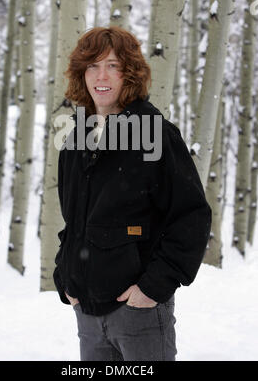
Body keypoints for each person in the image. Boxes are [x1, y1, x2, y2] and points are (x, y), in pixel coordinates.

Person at [53, 26, 212, 362]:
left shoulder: (155, 135)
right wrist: (65, 276)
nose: (101, 75)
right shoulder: (74, 140)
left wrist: (152, 288)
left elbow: (191, 217)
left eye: (113, 65)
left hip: (138, 313)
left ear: (130, 73)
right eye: (92, 66)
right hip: (87, 313)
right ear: (81, 74)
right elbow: (74, 219)